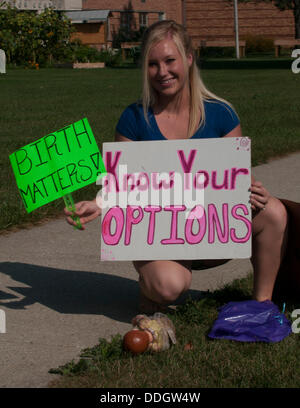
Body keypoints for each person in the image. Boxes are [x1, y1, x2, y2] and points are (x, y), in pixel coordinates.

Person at [65, 20, 288, 313]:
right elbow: (119, 185)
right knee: (168, 287)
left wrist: (253, 191)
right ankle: (150, 288)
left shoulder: (221, 114)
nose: (162, 72)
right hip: (162, 235)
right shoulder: (134, 119)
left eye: (170, 60)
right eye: (153, 64)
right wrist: (98, 204)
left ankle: (262, 306)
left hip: (210, 230)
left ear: (189, 59)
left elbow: (236, 179)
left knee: (273, 212)